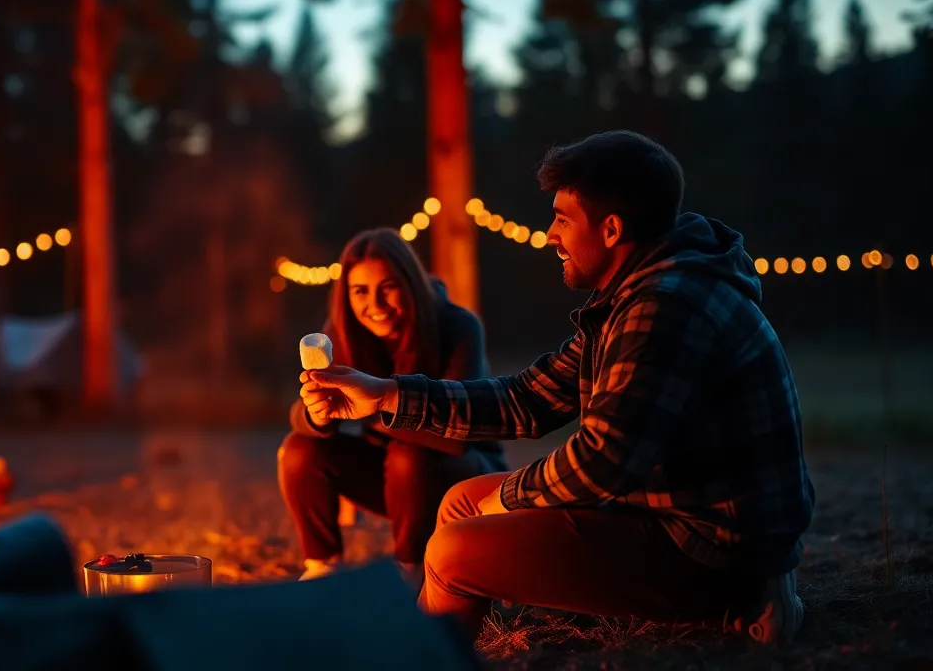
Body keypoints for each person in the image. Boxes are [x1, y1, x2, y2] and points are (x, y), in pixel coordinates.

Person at [298, 131, 815, 646]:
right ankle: (428, 641)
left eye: (563, 220)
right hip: (670, 512)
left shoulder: (664, 307)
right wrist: (385, 393)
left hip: (712, 547)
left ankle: (744, 601)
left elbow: (603, 461)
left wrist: (507, 497)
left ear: (611, 229)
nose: (549, 234)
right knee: (459, 501)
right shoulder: (636, 295)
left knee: (452, 551)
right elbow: (525, 399)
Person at [279, 228, 508, 588]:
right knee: (299, 449)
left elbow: (459, 438)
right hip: (393, 481)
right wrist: (317, 413)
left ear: (411, 282)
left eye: (388, 287)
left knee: (408, 454)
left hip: (463, 475)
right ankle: (322, 569)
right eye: (360, 291)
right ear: (346, 296)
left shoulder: (458, 326)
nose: (376, 304)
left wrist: (371, 405)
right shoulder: (342, 332)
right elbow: (299, 417)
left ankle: (411, 572)